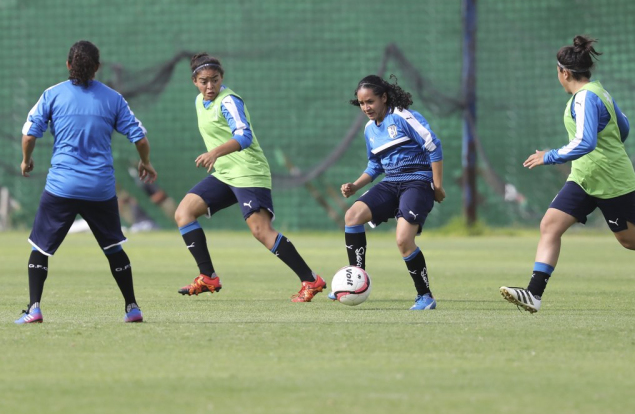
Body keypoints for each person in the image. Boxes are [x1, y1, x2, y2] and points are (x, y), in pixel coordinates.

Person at [500, 35, 635, 313]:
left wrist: (550, 156)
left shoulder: (585, 98)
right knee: (550, 225)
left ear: (564, 72)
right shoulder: (598, 91)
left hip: (610, 179)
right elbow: (625, 127)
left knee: (633, 240)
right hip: (584, 178)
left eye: (557, 72)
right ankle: (534, 294)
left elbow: (585, 142)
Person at [16, 40, 157, 324]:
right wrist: (145, 163)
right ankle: (132, 308)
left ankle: (34, 309)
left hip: (62, 186)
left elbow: (30, 135)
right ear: (97, 68)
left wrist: (25, 159)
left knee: (40, 248)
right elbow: (140, 138)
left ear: (68, 65)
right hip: (100, 188)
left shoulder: (52, 95)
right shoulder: (113, 99)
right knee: (113, 248)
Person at [174, 53, 326, 301]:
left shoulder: (229, 101)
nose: (210, 86)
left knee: (261, 231)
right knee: (184, 214)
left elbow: (244, 136)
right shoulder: (199, 102)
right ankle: (208, 277)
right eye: (204, 81)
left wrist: (214, 152)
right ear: (194, 81)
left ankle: (311, 280)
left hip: (248, 171)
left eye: (214, 80)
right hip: (225, 173)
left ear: (222, 77)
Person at [336, 74, 445, 310]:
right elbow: (375, 165)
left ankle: (425, 296)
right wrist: (355, 186)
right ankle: (356, 281)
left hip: (417, 181)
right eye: (362, 103)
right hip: (392, 181)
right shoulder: (369, 129)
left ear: (384, 98)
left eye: (371, 102)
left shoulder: (403, 116)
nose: (366, 107)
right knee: (352, 216)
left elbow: (433, 146)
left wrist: (437, 186)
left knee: (403, 240)